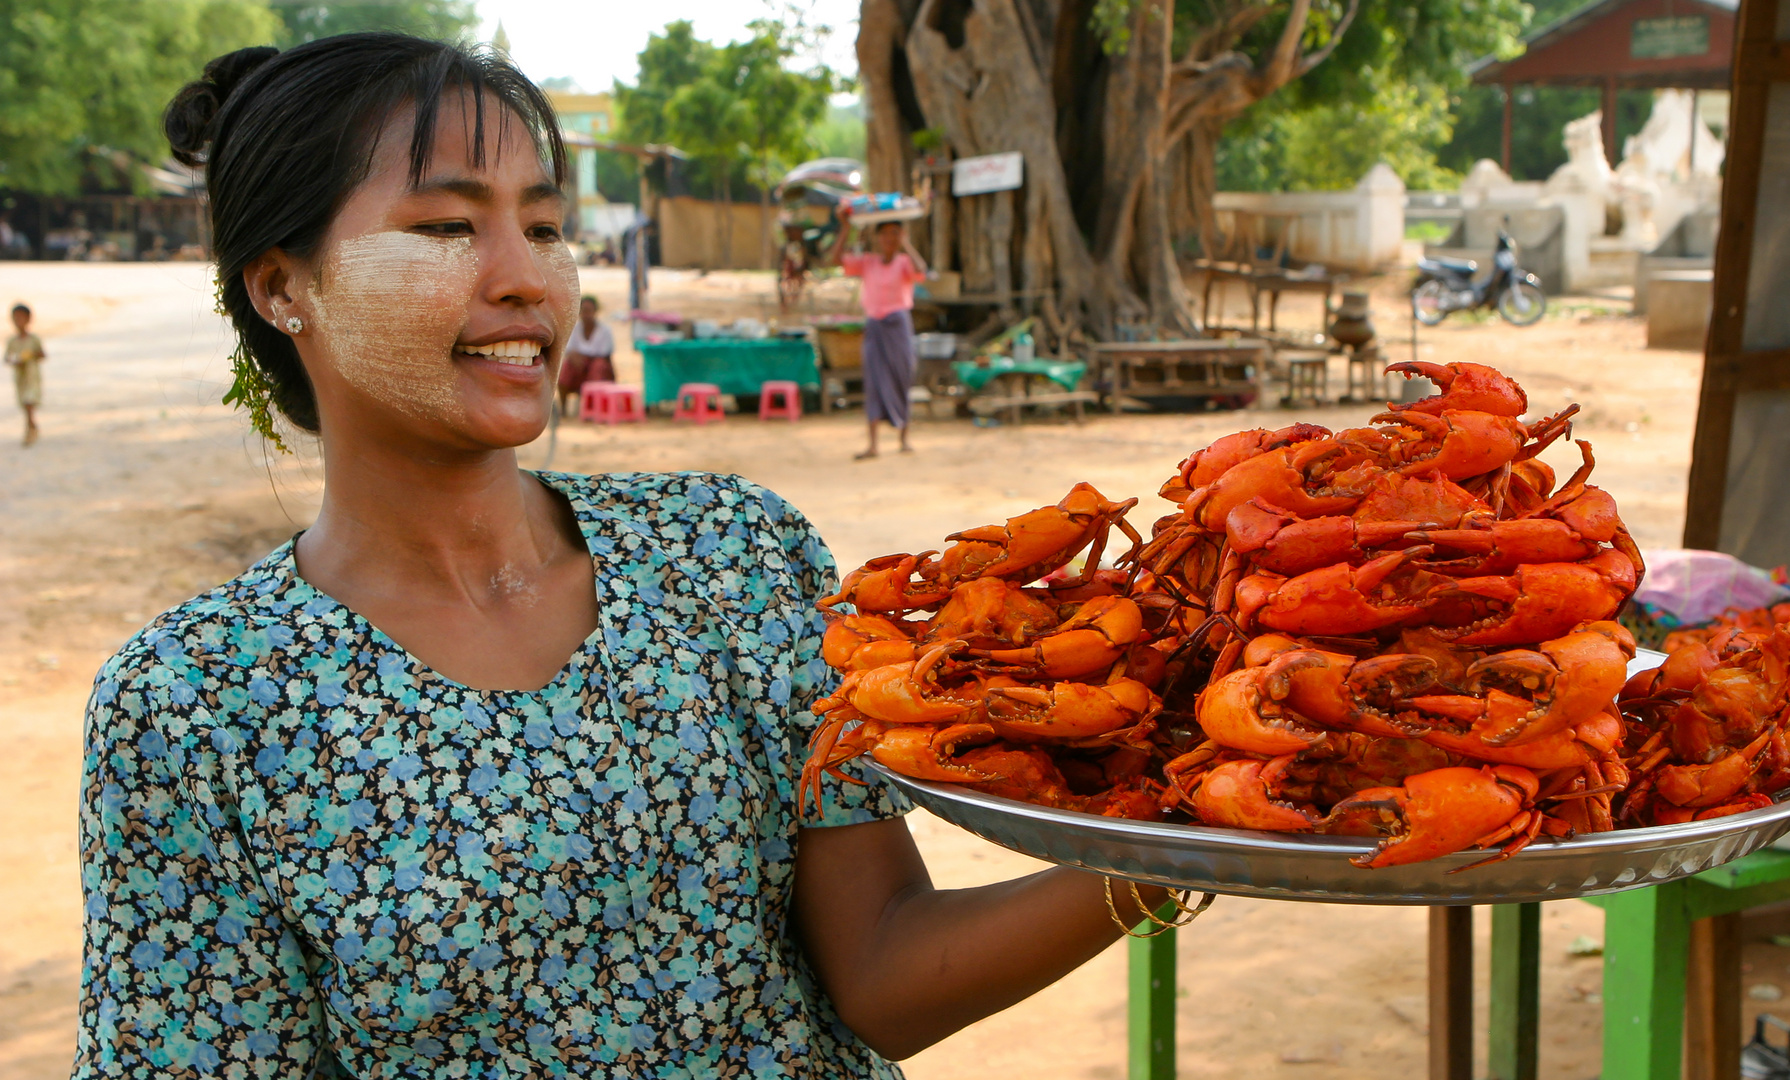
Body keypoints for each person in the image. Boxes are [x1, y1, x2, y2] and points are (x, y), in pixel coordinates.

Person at [75, 34, 1171, 1078]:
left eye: (546, 228)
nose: (527, 280)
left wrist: (1189, 841)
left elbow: (882, 968)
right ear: (281, 288)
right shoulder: (196, 705)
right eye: (450, 230)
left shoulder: (731, 553)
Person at [828, 206, 927, 459]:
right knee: (873, 381)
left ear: (901, 234)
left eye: (895, 233)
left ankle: (904, 439)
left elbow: (921, 270)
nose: (889, 239)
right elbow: (835, 260)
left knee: (901, 377)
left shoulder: (904, 262)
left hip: (898, 326)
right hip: (874, 326)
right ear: (878, 237)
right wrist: (846, 228)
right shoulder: (868, 262)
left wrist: (906, 243)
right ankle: (873, 445)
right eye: (885, 234)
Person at [555, 294, 614, 415]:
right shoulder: (574, 329)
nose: (586, 314)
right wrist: (575, 357)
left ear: (595, 311)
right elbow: (569, 349)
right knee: (567, 367)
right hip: (579, 365)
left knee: (598, 366)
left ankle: (592, 409)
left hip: (598, 366)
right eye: (583, 311)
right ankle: (564, 408)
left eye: (589, 311)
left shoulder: (604, 330)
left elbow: (605, 353)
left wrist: (585, 358)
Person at [5, 302, 45, 445]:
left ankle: (31, 427)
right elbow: (7, 358)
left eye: (21, 318)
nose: (18, 322)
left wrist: (31, 355)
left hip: (32, 377)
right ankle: (31, 426)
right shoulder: (12, 341)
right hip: (20, 378)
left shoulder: (34, 339)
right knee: (24, 403)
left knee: (29, 402)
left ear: (28, 319)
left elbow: (42, 355)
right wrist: (16, 361)